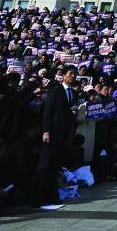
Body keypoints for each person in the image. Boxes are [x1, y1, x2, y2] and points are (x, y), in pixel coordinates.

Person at [31, 65, 77, 207]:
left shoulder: (74, 93)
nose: (73, 76)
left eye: (74, 74)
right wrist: (46, 131)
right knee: (44, 166)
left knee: (55, 166)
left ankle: (51, 195)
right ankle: (36, 197)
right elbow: (48, 112)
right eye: (70, 74)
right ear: (64, 75)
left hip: (64, 134)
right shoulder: (56, 90)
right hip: (52, 133)